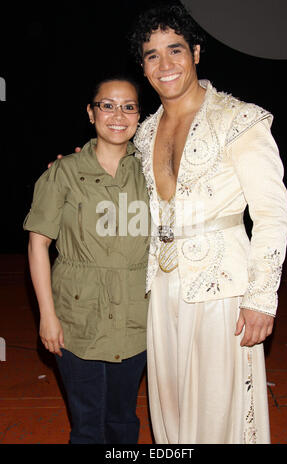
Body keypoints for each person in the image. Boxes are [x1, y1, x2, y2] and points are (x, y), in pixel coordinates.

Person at [127, 3, 287, 444]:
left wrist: (262, 297)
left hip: (224, 288)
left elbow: (272, 214)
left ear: (196, 52)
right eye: (152, 55)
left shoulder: (240, 120)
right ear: (143, 66)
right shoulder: (144, 132)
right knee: (170, 403)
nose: (165, 65)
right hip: (162, 286)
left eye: (175, 50)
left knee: (221, 409)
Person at [23, 76, 150, 444]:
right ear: (91, 112)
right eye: (107, 105)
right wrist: (47, 316)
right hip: (77, 318)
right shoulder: (62, 173)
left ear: (139, 116)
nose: (118, 115)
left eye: (128, 106)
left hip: (135, 316)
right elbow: (37, 244)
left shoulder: (152, 173)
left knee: (124, 419)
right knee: (88, 425)